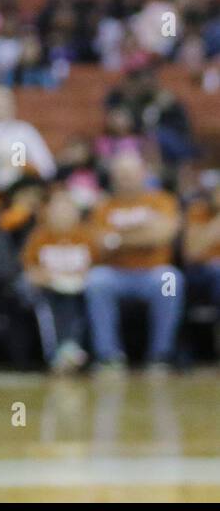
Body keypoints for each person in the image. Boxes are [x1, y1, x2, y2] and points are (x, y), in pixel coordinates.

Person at [85, 152, 184, 371]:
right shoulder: (103, 205)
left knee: (170, 279)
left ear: (143, 174)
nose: (125, 178)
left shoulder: (161, 200)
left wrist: (119, 238)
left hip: (153, 273)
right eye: (120, 174)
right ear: (112, 177)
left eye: (130, 173)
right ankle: (108, 356)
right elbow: (99, 244)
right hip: (115, 273)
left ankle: (161, 355)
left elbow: (162, 235)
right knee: (96, 280)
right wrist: (143, 233)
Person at [21, 189, 98, 372]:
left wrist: (82, 277)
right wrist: (42, 276)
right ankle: (54, 353)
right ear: (48, 213)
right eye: (58, 210)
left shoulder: (87, 236)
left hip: (78, 289)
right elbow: (29, 268)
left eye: (67, 210)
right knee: (46, 304)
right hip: (49, 290)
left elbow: (97, 267)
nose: (62, 215)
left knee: (82, 304)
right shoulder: (39, 237)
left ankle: (74, 347)